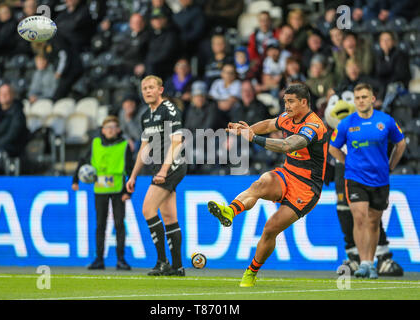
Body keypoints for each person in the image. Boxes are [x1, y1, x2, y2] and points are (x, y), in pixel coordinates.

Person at [207, 83, 328, 287]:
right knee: (261, 183)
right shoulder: (288, 117)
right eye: (285, 102)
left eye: (291, 102)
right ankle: (229, 211)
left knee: (270, 229)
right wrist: (246, 130)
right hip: (288, 174)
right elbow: (270, 124)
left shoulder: (313, 126)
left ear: (304, 102)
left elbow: (288, 145)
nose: (286, 106)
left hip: (307, 188)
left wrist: (253, 138)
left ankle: (251, 272)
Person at [329, 83, 406, 279]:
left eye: (364, 97)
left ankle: (370, 263)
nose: (361, 101)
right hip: (355, 178)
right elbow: (333, 147)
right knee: (360, 218)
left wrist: (391, 166)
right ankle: (363, 262)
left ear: (372, 99)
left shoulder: (385, 121)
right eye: (357, 98)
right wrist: (348, 163)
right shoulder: (346, 123)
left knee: (373, 221)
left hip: (380, 178)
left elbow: (401, 142)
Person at [126, 75, 187, 276]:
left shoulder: (169, 110)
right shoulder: (145, 116)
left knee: (148, 209)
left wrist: (163, 170)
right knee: (169, 216)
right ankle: (177, 267)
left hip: (172, 165)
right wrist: (133, 175)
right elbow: (145, 147)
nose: (147, 91)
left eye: (151, 87)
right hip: (159, 167)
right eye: (144, 88)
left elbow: (177, 142)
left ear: (160, 90)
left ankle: (162, 261)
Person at [72, 115, 134, 271]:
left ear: (119, 130)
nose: (111, 130)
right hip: (100, 190)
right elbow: (83, 161)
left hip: (119, 190)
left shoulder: (124, 145)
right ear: (103, 130)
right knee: (101, 225)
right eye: (108, 127)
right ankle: (99, 259)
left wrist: (129, 191)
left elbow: (130, 169)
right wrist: (75, 180)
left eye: (114, 127)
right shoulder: (95, 144)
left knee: (119, 224)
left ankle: (121, 259)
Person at [0, 83, 28, 159]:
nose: (3, 96)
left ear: (12, 95)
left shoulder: (18, 112)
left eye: (6, 93)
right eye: (1, 93)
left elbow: (12, 135)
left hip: (11, 147)